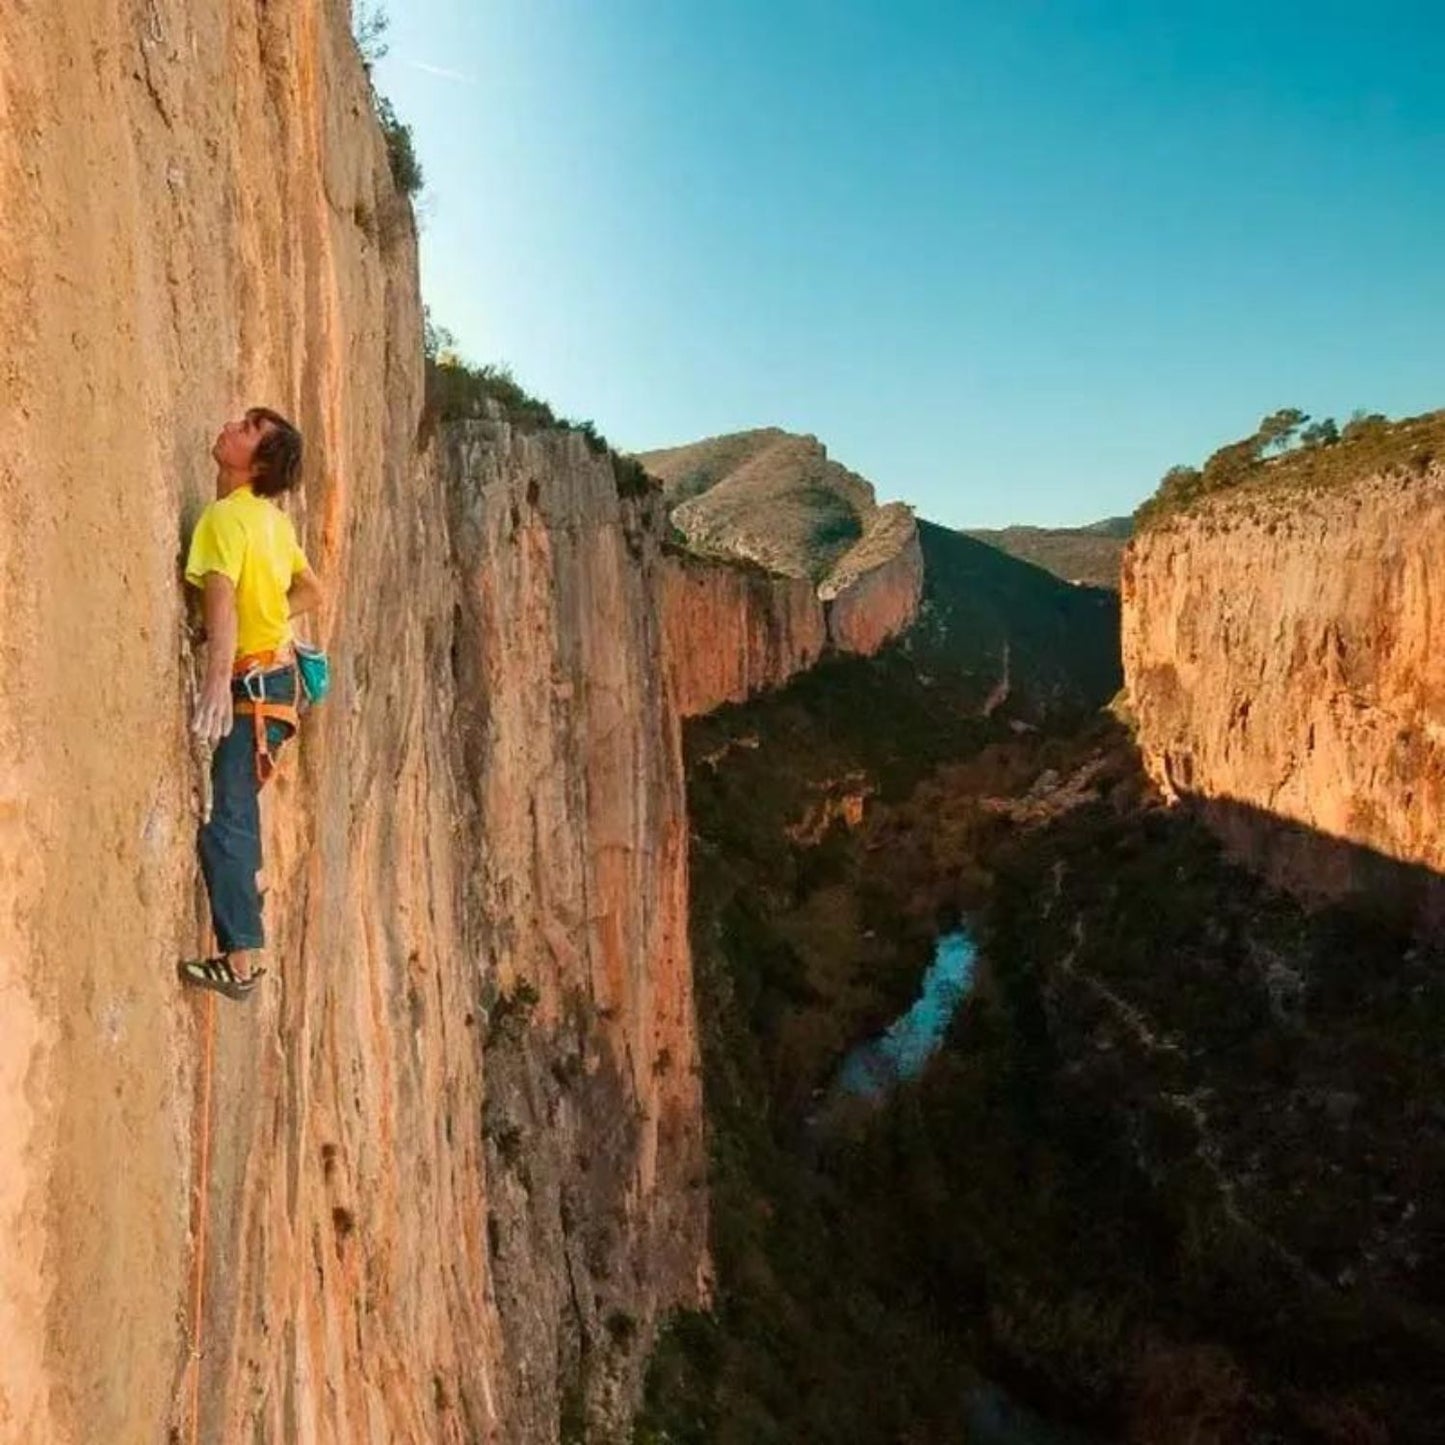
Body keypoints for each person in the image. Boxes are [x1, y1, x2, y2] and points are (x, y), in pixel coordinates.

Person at [179, 407, 324, 1000]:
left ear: (256, 462)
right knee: (235, 814)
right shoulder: (272, 522)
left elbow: (219, 595)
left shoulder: (226, 518)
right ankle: (248, 891)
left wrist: (219, 672)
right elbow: (311, 590)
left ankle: (241, 964)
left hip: (254, 689)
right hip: (278, 684)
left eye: (246, 431)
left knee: (226, 821)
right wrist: (267, 624)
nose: (230, 427)